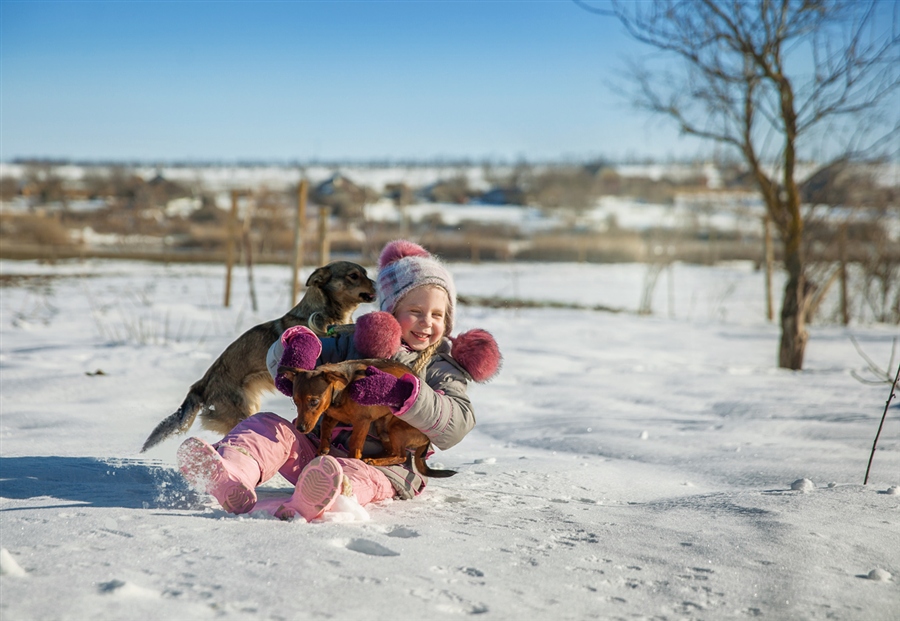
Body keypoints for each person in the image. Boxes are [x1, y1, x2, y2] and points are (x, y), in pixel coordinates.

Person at [176, 240, 501, 521]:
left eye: (437, 315)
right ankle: (232, 471)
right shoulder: (352, 343)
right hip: (316, 447)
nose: (426, 323)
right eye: (415, 311)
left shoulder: (442, 367)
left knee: (357, 476)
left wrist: (403, 394)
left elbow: (457, 422)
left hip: (386, 466)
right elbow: (287, 358)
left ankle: (327, 495)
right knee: (265, 425)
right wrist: (295, 352)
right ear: (388, 313)